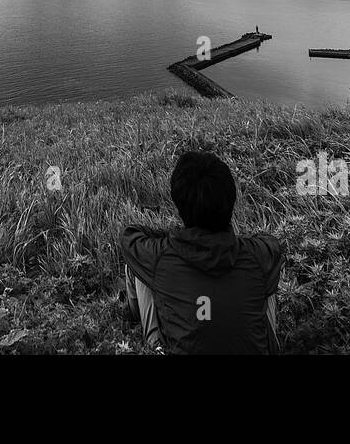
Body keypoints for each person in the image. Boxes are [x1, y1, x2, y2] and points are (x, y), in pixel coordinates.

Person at [120, 150, 285, 354]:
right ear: (230, 201)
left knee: (140, 266)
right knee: (266, 273)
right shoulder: (259, 253)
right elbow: (271, 243)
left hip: (179, 332)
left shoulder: (161, 256)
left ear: (180, 206)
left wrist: (178, 236)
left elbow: (130, 235)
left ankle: (144, 332)